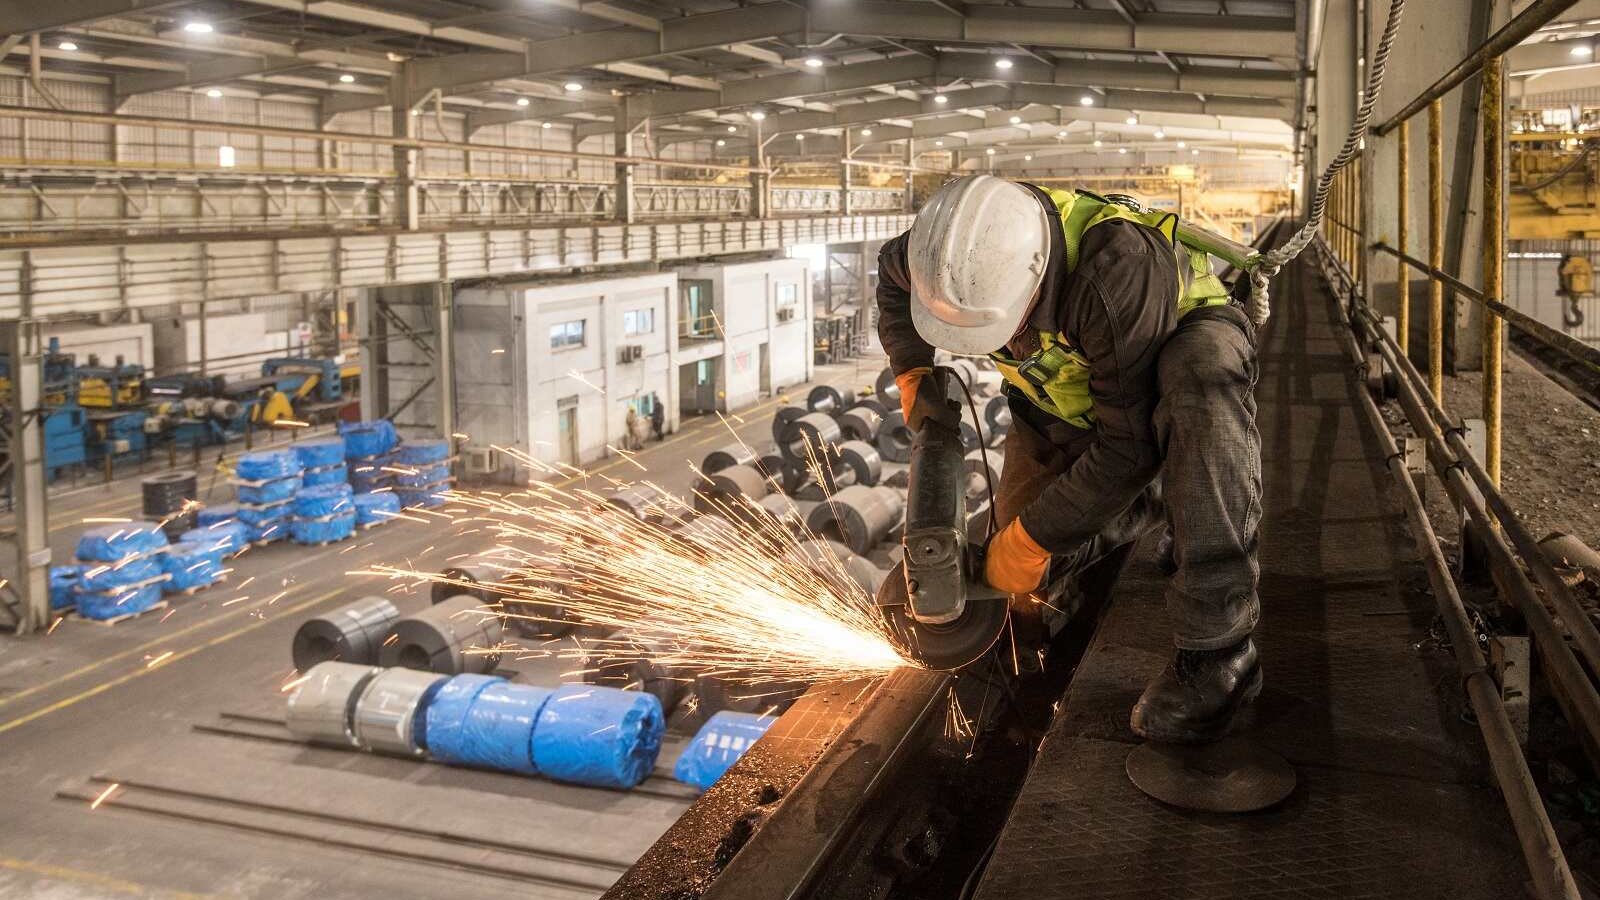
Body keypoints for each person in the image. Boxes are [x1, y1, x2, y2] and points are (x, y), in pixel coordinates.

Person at [877, 174, 1262, 745]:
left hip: (1168, 354)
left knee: (1199, 383)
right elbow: (892, 283)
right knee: (1018, 558)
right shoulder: (936, 252)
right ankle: (1157, 499)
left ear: (1033, 285)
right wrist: (915, 375)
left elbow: (1126, 446)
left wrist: (1035, 537)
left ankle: (1220, 652)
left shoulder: (1116, 271)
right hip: (1066, 388)